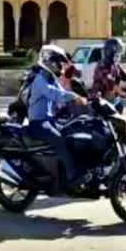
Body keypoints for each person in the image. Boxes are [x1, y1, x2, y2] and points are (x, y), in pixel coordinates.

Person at [27, 45, 87, 189]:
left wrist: (85, 99)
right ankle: (71, 175)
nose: (61, 67)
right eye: (59, 63)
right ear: (50, 62)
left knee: (72, 132)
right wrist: (74, 97)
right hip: (38, 123)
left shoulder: (50, 78)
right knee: (58, 139)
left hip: (50, 120)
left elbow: (62, 94)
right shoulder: (40, 79)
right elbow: (55, 94)